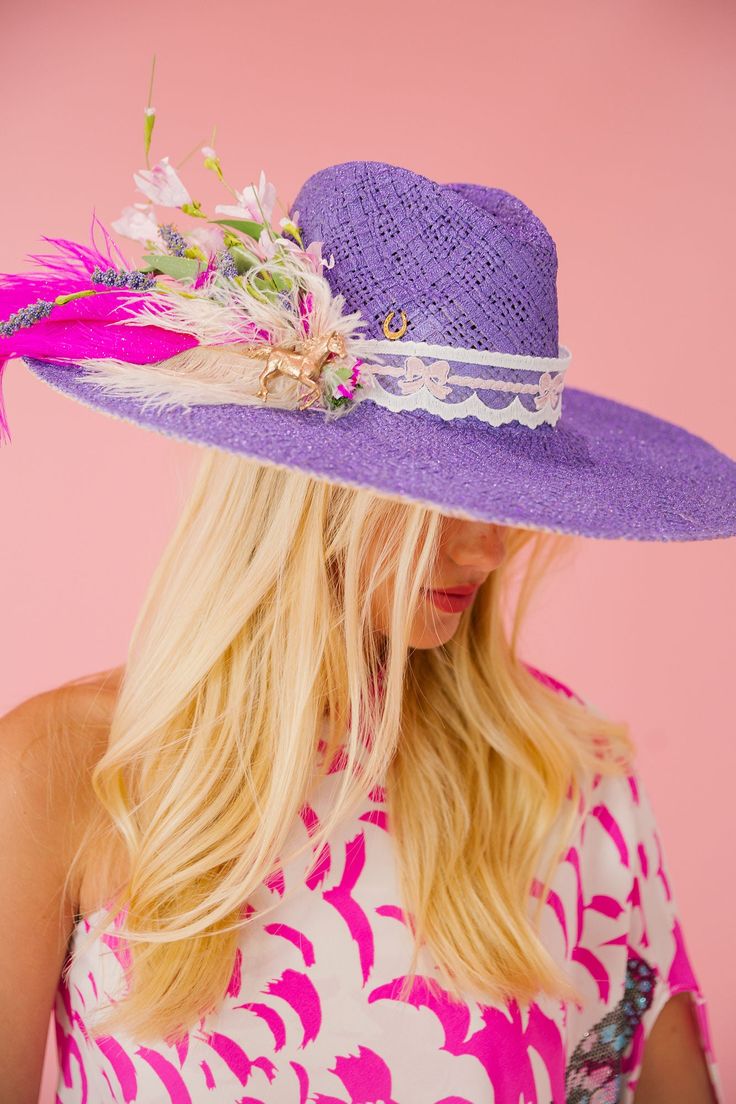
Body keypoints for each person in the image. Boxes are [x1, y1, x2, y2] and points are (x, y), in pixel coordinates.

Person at [1, 135, 733, 1104]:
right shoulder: (67, 774)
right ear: (298, 489)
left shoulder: (561, 774)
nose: (487, 549)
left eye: (500, 496)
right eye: (434, 497)